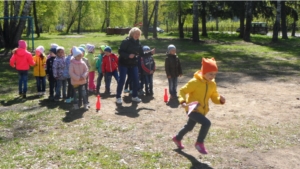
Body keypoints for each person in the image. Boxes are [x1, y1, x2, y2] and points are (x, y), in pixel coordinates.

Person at [172, 58, 226, 155]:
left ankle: (177, 138)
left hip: (202, 110)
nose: (212, 76)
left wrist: (219, 100)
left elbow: (214, 96)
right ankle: (199, 142)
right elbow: (182, 91)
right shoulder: (195, 82)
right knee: (206, 123)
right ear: (203, 72)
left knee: (189, 127)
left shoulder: (212, 84)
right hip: (193, 109)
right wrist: (183, 101)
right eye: (210, 74)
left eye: (214, 74)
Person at [116, 27, 155, 104]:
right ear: (132, 34)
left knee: (136, 80)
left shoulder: (138, 43)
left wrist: (150, 52)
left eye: (138, 34)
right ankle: (118, 97)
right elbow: (120, 51)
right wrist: (128, 55)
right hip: (123, 63)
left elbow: (142, 54)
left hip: (133, 64)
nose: (137, 35)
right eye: (135, 34)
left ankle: (134, 96)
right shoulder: (126, 41)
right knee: (122, 80)